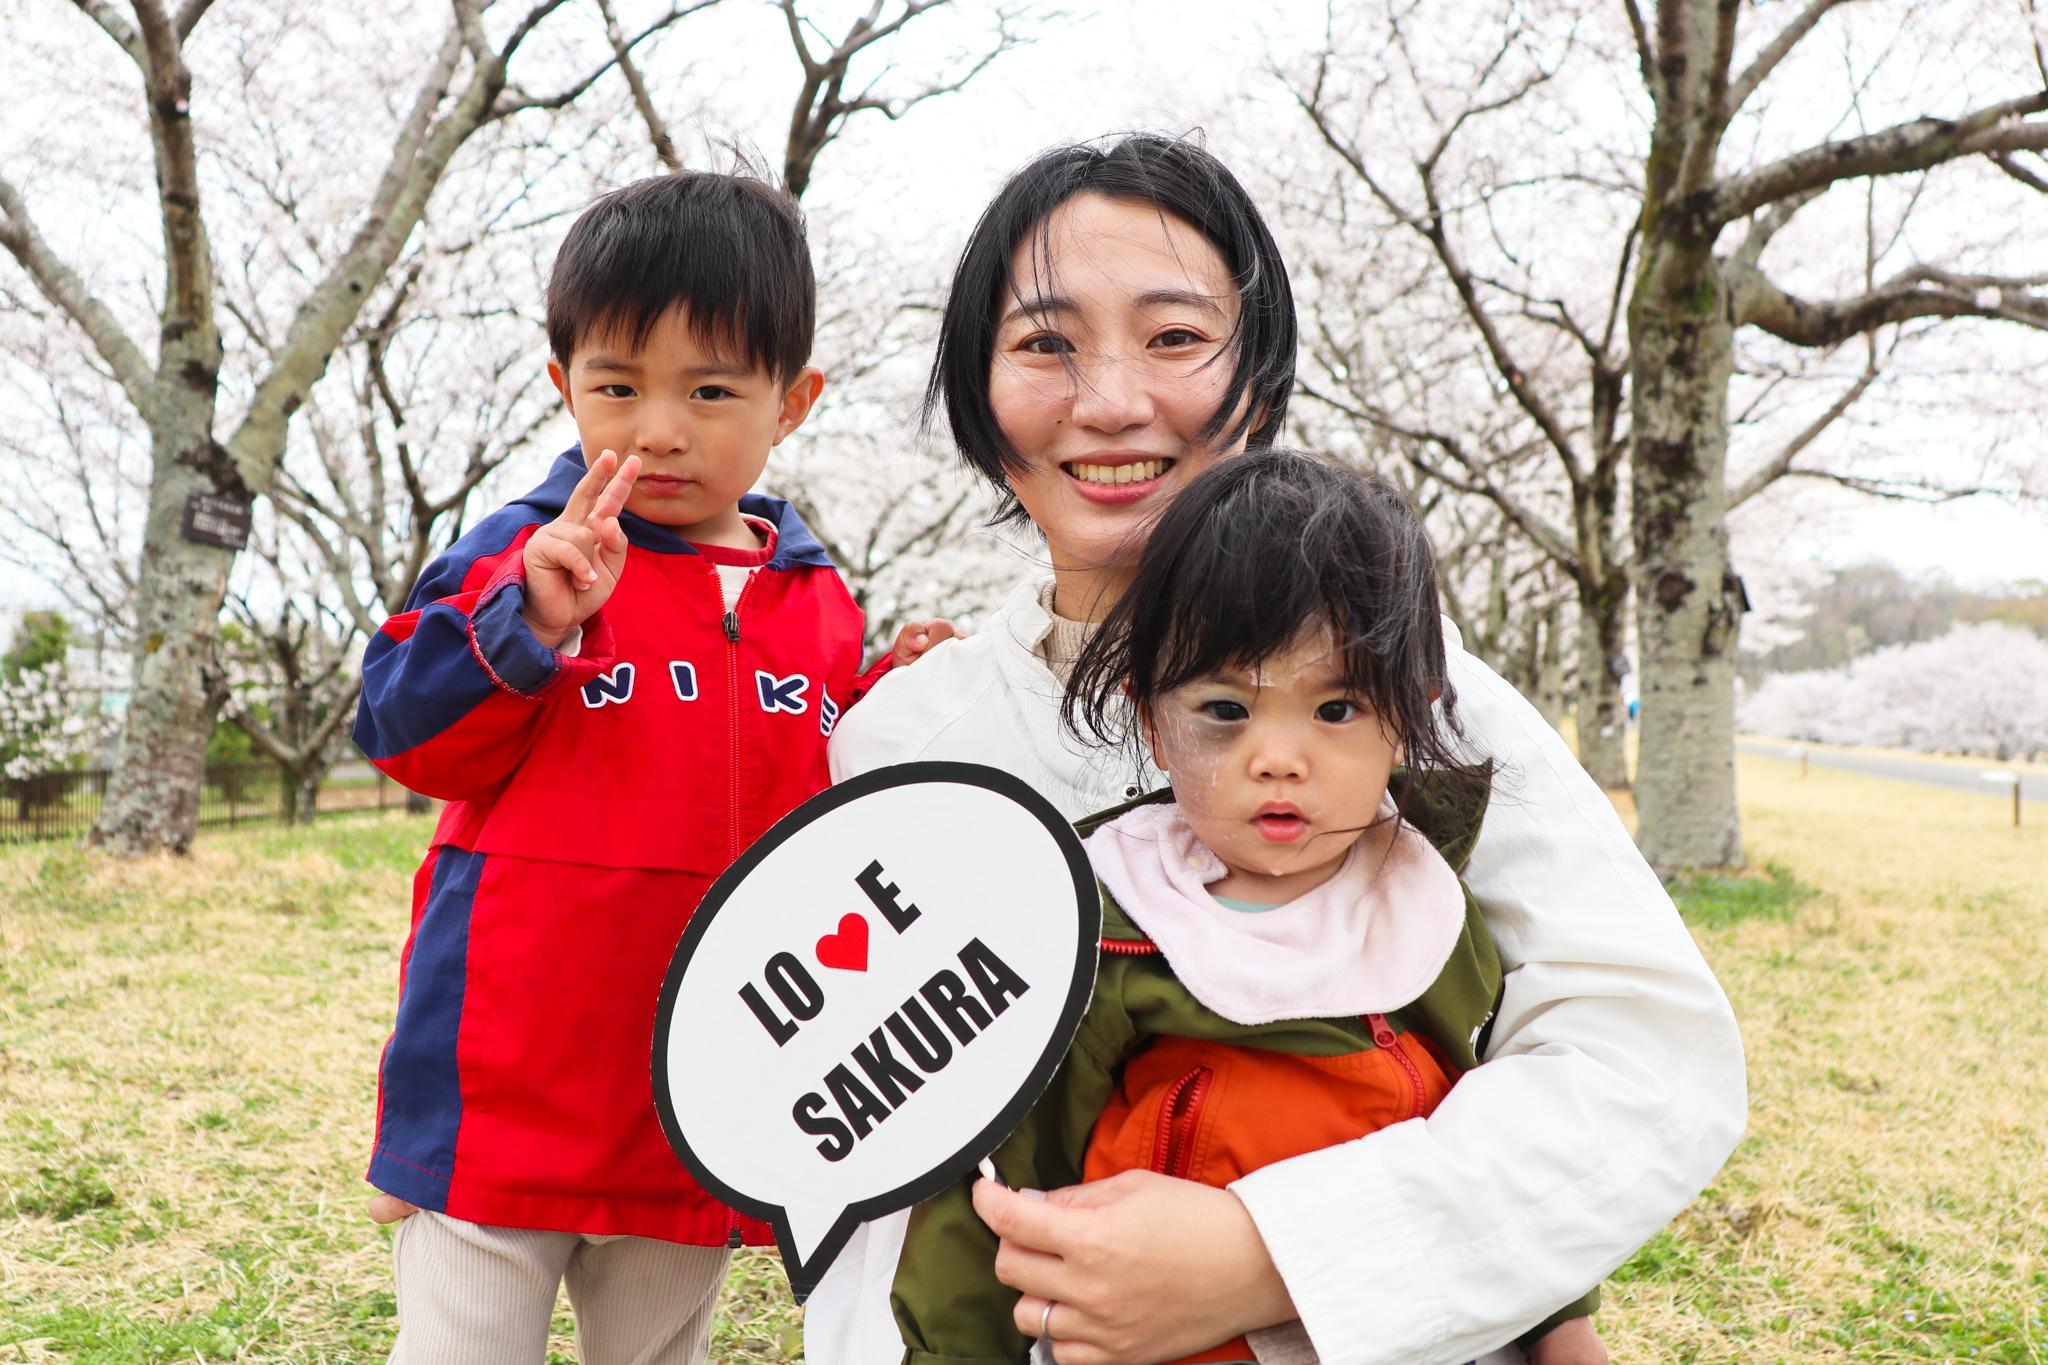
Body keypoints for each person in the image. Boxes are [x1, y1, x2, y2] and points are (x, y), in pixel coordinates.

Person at [810, 134, 1745, 1364]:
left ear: (1259, 371)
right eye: (1044, 343)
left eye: (1174, 336)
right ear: (979, 390)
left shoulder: (1414, 690)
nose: (1108, 401)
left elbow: (1643, 1058)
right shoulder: (905, 742)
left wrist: (1270, 1256)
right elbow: (881, 1168)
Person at [352, 171, 948, 1364]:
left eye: (711, 390)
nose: (657, 429)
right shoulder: (522, 555)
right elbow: (403, 735)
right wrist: (526, 623)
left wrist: (897, 701)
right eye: (617, 385)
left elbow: (830, 804)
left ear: (792, 403)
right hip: (505, 1081)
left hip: (699, 1084)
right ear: (562, 381)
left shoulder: (813, 597)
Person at [890, 451, 1609, 1365]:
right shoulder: (1105, 927)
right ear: (1149, 715)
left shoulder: (1428, 904)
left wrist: (1561, 1322)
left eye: (1338, 707)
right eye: (1225, 707)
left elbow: (1492, 1128)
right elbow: (993, 1183)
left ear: (1411, 712)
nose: (1279, 757)